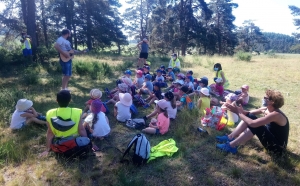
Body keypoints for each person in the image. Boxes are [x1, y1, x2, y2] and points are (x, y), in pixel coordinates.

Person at [216, 90, 289, 155]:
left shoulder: (276, 115)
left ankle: (231, 146)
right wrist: (237, 110)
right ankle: (230, 137)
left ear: (272, 102)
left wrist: (239, 113)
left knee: (255, 124)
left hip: (278, 149)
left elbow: (252, 123)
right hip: (271, 141)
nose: (263, 99)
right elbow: (247, 113)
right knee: (250, 117)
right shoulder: (266, 109)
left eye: (265, 98)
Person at [40, 90, 92, 157]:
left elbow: (50, 132)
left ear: (56, 100)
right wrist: (88, 142)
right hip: (75, 141)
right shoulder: (77, 111)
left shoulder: (49, 113)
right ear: (70, 100)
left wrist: (47, 149)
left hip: (60, 142)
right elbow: (81, 130)